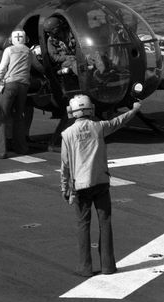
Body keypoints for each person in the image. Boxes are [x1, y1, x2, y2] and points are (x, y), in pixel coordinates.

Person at [60, 94, 141, 277]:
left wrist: (64, 188)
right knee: (105, 223)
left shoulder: (67, 134)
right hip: (101, 182)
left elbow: (65, 165)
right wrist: (134, 110)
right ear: (91, 109)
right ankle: (108, 266)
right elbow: (119, 121)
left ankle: (85, 267)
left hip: (80, 185)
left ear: (71, 112)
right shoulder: (99, 127)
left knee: (83, 225)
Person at [0, 28, 32, 158]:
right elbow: (33, 66)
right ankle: (21, 147)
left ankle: (0, 151)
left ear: (12, 39)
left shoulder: (9, 50)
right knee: (19, 116)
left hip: (10, 84)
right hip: (24, 85)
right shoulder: (28, 51)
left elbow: (3, 67)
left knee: (2, 116)